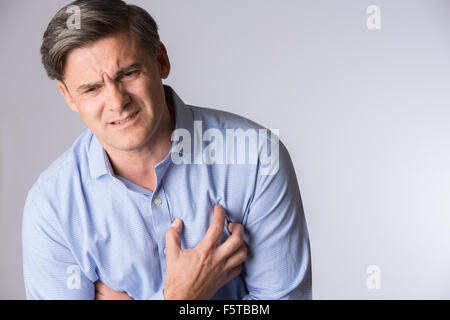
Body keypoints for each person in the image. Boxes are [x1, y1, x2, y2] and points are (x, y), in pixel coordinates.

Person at [22, 0, 312, 300]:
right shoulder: (51, 208)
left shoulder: (255, 158)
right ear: (68, 96)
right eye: (92, 88)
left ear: (161, 61)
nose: (117, 102)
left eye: (128, 74)